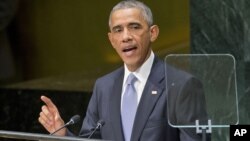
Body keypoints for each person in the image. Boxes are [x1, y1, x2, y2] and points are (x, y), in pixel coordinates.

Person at [39, 0, 209, 141]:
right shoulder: (104, 87)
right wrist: (63, 134)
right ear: (112, 40)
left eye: (134, 27)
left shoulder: (181, 85)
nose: (126, 36)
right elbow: (90, 139)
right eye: (118, 30)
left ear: (153, 33)